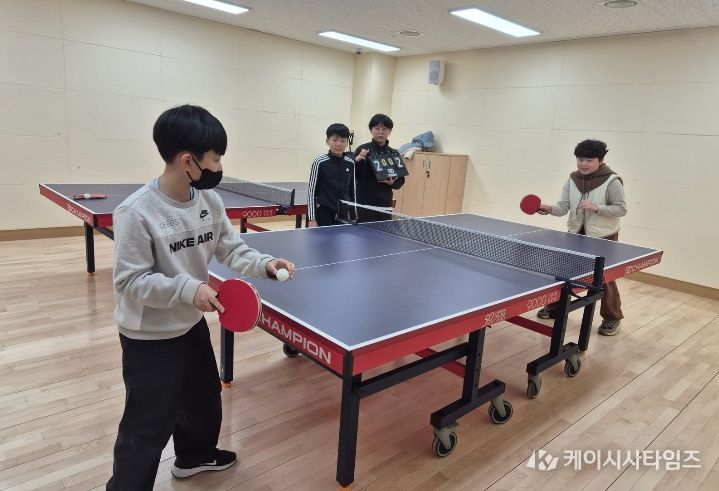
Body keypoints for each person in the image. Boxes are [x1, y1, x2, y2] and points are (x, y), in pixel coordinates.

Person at [107, 104, 295, 490]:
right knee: (148, 422)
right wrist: (188, 289)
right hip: (149, 336)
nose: (219, 166)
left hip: (190, 325)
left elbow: (231, 248)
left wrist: (264, 263)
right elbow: (130, 281)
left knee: (202, 399)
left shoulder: (209, 202)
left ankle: (194, 457)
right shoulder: (136, 213)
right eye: (216, 158)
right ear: (188, 161)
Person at [536, 139, 627, 336]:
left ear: (600, 161)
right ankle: (555, 306)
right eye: (580, 159)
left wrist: (598, 208)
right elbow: (563, 208)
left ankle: (612, 317)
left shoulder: (612, 181)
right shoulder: (572, 179)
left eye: (589, 160)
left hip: (603, 236)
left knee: (605, 278)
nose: (583, 164)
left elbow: (621, 209)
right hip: (576, 234)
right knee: (564, 271)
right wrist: (548, 208)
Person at [352, 114, 405, 222]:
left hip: (385, 203)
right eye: (377, 128)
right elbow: (352, 175)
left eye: (384, 129)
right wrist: (358, 160)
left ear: (390, 131)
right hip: (364, 202)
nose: (380, 132)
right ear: (371, 130)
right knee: (364, 231)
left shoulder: (393, 153)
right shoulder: (362, 149)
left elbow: (400, 180)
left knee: (384, 231)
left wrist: (392, 183)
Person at [307, 123, 356, 227]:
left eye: (343, 140)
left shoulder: (350, 163)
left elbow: (352, 192)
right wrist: (312, 219)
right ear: (327, 141)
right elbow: (311, 193)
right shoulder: (319, 162)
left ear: (347, 142)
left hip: (343, 214)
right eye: (334, 140)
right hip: (324, 213)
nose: (338, 144)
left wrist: (353, 215)